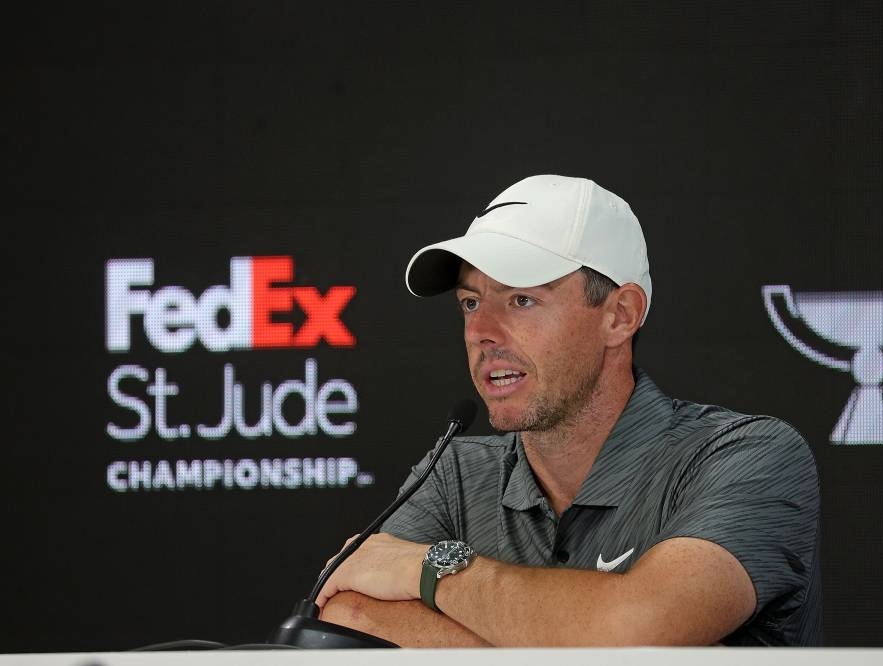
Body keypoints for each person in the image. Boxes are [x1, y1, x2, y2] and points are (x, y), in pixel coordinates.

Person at [316, 174, 822, 646]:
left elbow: (640, 626)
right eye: (470, 303)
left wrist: (429, 569)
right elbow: (349, 616)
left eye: (521, 300)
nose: (480, 332)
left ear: (620, 316)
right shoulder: (454, 475)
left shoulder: (748, 455)